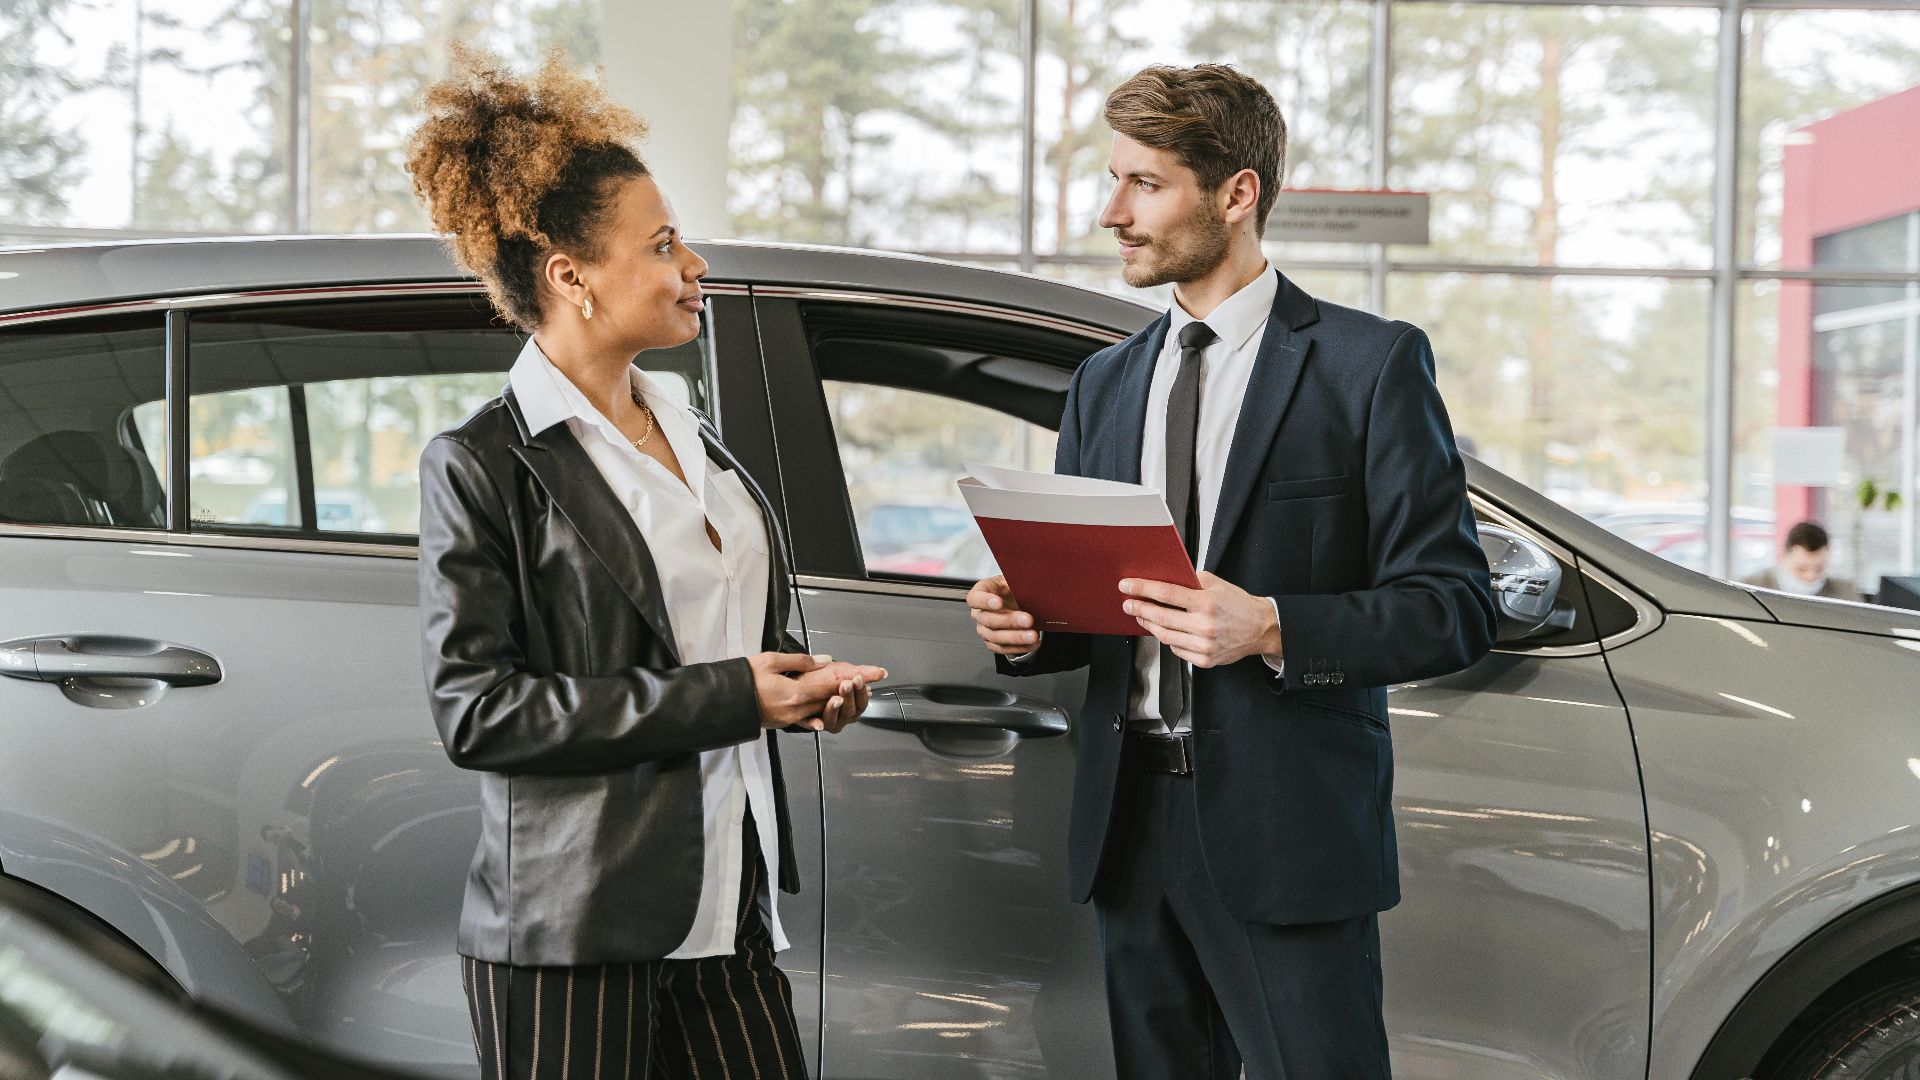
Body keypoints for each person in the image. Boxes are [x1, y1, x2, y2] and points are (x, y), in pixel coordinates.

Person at [967, 64, 1497, 1079]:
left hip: (1284, 832)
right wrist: (1029, 628)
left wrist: (1271, 627)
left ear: (1236, 193)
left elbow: (1454, 607)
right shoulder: (1105, 383)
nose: (1112, 213)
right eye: (1113, 180)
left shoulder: (1368, 365)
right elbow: (1097, 608)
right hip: (1131, 827)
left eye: (1144, 184)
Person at [407, 44, 884, 1080]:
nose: (693, 266)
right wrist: (731, 697)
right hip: (576, 930)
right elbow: (479, 713)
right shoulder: (484, 464)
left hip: (729, 903)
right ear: (571, 276)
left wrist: (796, 682)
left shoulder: (690, 430)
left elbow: (715, 633)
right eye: (664, 244)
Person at [1741, 520, 1859, 600]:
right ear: (1783, 558)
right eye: (1802, 569)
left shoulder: (1845, 593)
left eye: (1819, 569)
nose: (1811, 576)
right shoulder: (1749, 589)